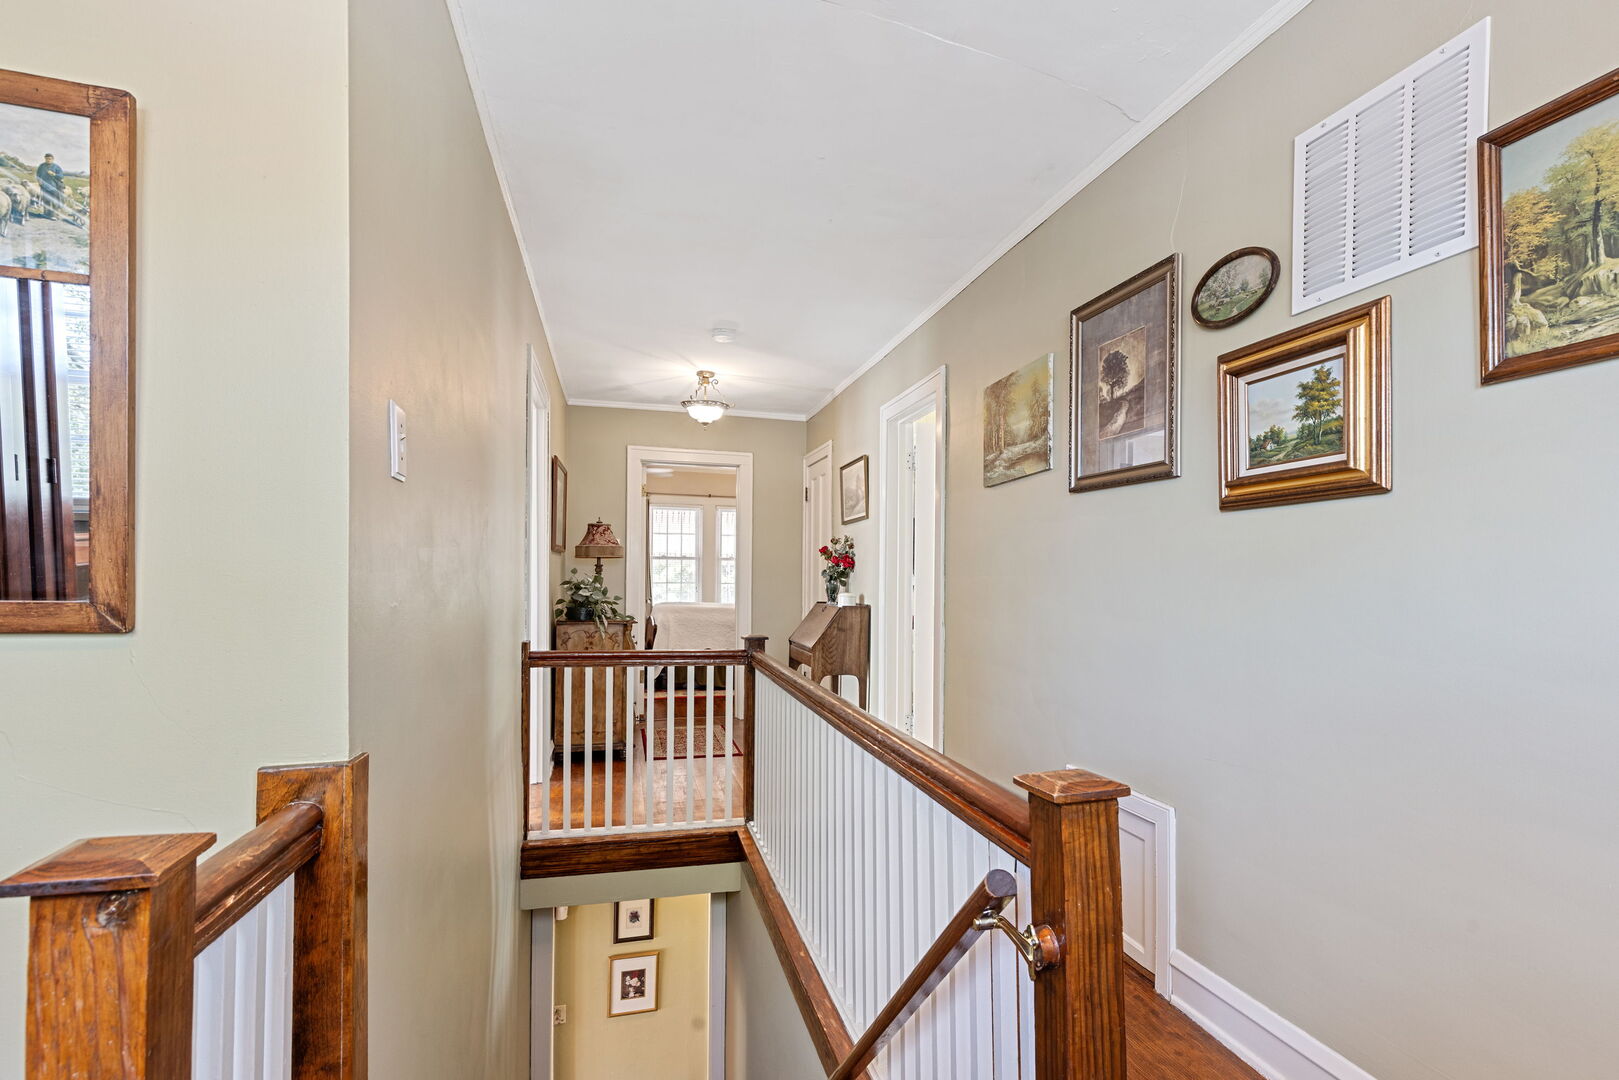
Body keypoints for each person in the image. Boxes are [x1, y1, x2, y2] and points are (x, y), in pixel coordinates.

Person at [36, 154, 66, 219]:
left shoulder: (56, 167)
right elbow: (38, 174)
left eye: (50, 159)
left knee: (54, 201)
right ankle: (46, 214)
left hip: (54, 187)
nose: (48, 160)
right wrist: (39, 181)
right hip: (44, 186)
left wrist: (54, 174)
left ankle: (54, 215)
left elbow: (61, 176)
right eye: (47, 159)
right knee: (46, 200)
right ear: (45, 159)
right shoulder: (42, 166)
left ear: (52, 159)